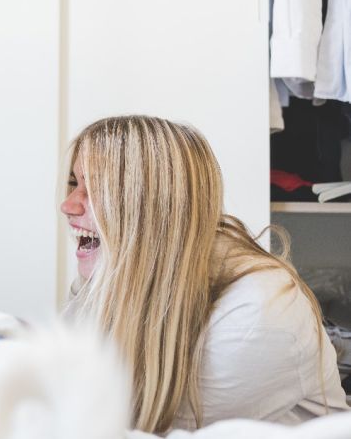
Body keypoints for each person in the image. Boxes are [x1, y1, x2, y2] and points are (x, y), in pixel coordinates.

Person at [60, 115, 349, 434]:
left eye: (97, 188)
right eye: (75, 183)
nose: (68, 205)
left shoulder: (257, 315)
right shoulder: (112, 271)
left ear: (157, 202)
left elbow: (119, 424)